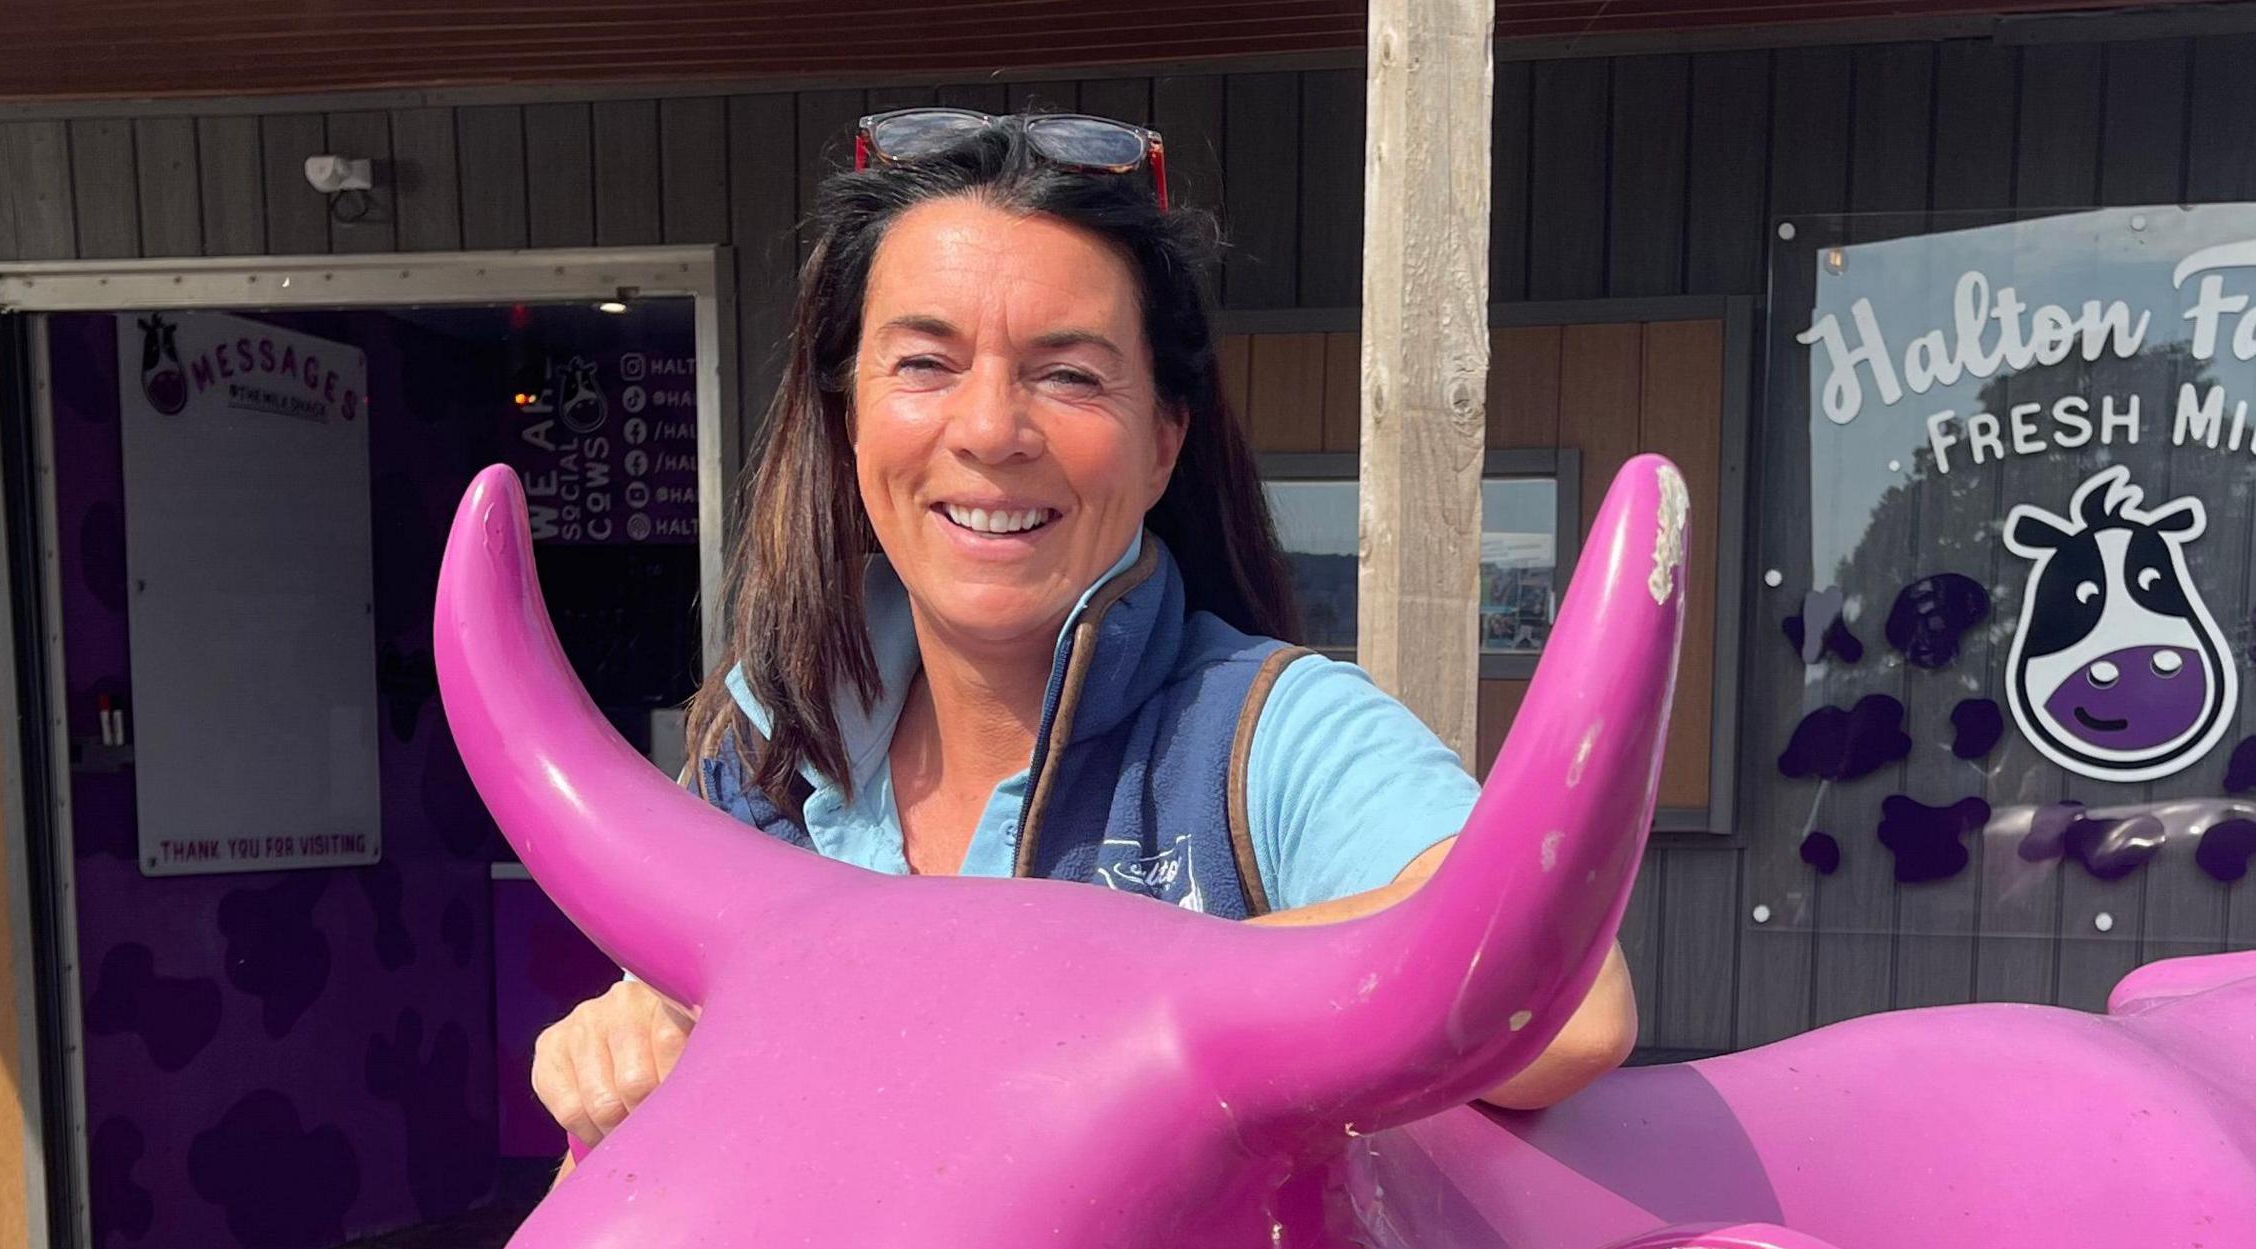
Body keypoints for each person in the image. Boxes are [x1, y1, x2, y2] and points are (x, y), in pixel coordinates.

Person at [530, 107, 1638, 1149]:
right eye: (925, 364)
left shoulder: (1268, 736)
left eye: (1068, 375)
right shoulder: (765, 744)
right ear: (847, 413)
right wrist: (630, 1048)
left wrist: (1026, 986)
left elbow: (1571, 1000)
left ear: (1162, 442)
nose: (991, 429)